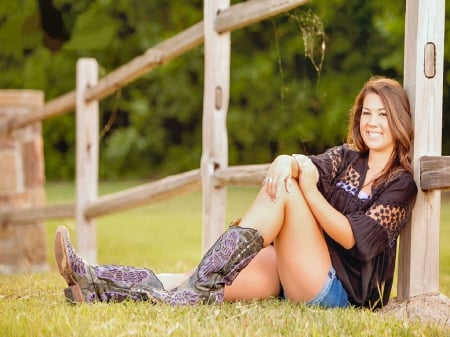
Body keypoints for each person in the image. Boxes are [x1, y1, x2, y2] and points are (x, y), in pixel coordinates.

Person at [54, 76, 417, 309]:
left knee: (289, 191)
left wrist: (305, 187)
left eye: (383, 115)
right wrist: (285, 160)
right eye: (367, 113)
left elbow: (355, 239)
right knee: (197, 280)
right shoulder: (348, 157)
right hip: (292, 269)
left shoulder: (401, 182)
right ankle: (95, 282)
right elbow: (309, 165)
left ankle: (191, 288)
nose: (372, 122)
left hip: (339, 291)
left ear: (399, 120)